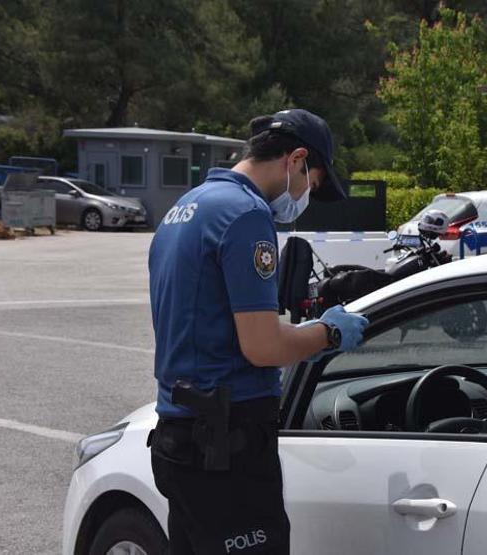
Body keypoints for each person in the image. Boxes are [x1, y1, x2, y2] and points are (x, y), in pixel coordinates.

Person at [147, 109, 369, 554]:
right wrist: (328, 334)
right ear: (297, 159)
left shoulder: (187, 207)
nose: (308, 193)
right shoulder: (246, 215)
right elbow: (263, 346)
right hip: (227, 447)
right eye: (314, 180)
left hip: (180, 436)